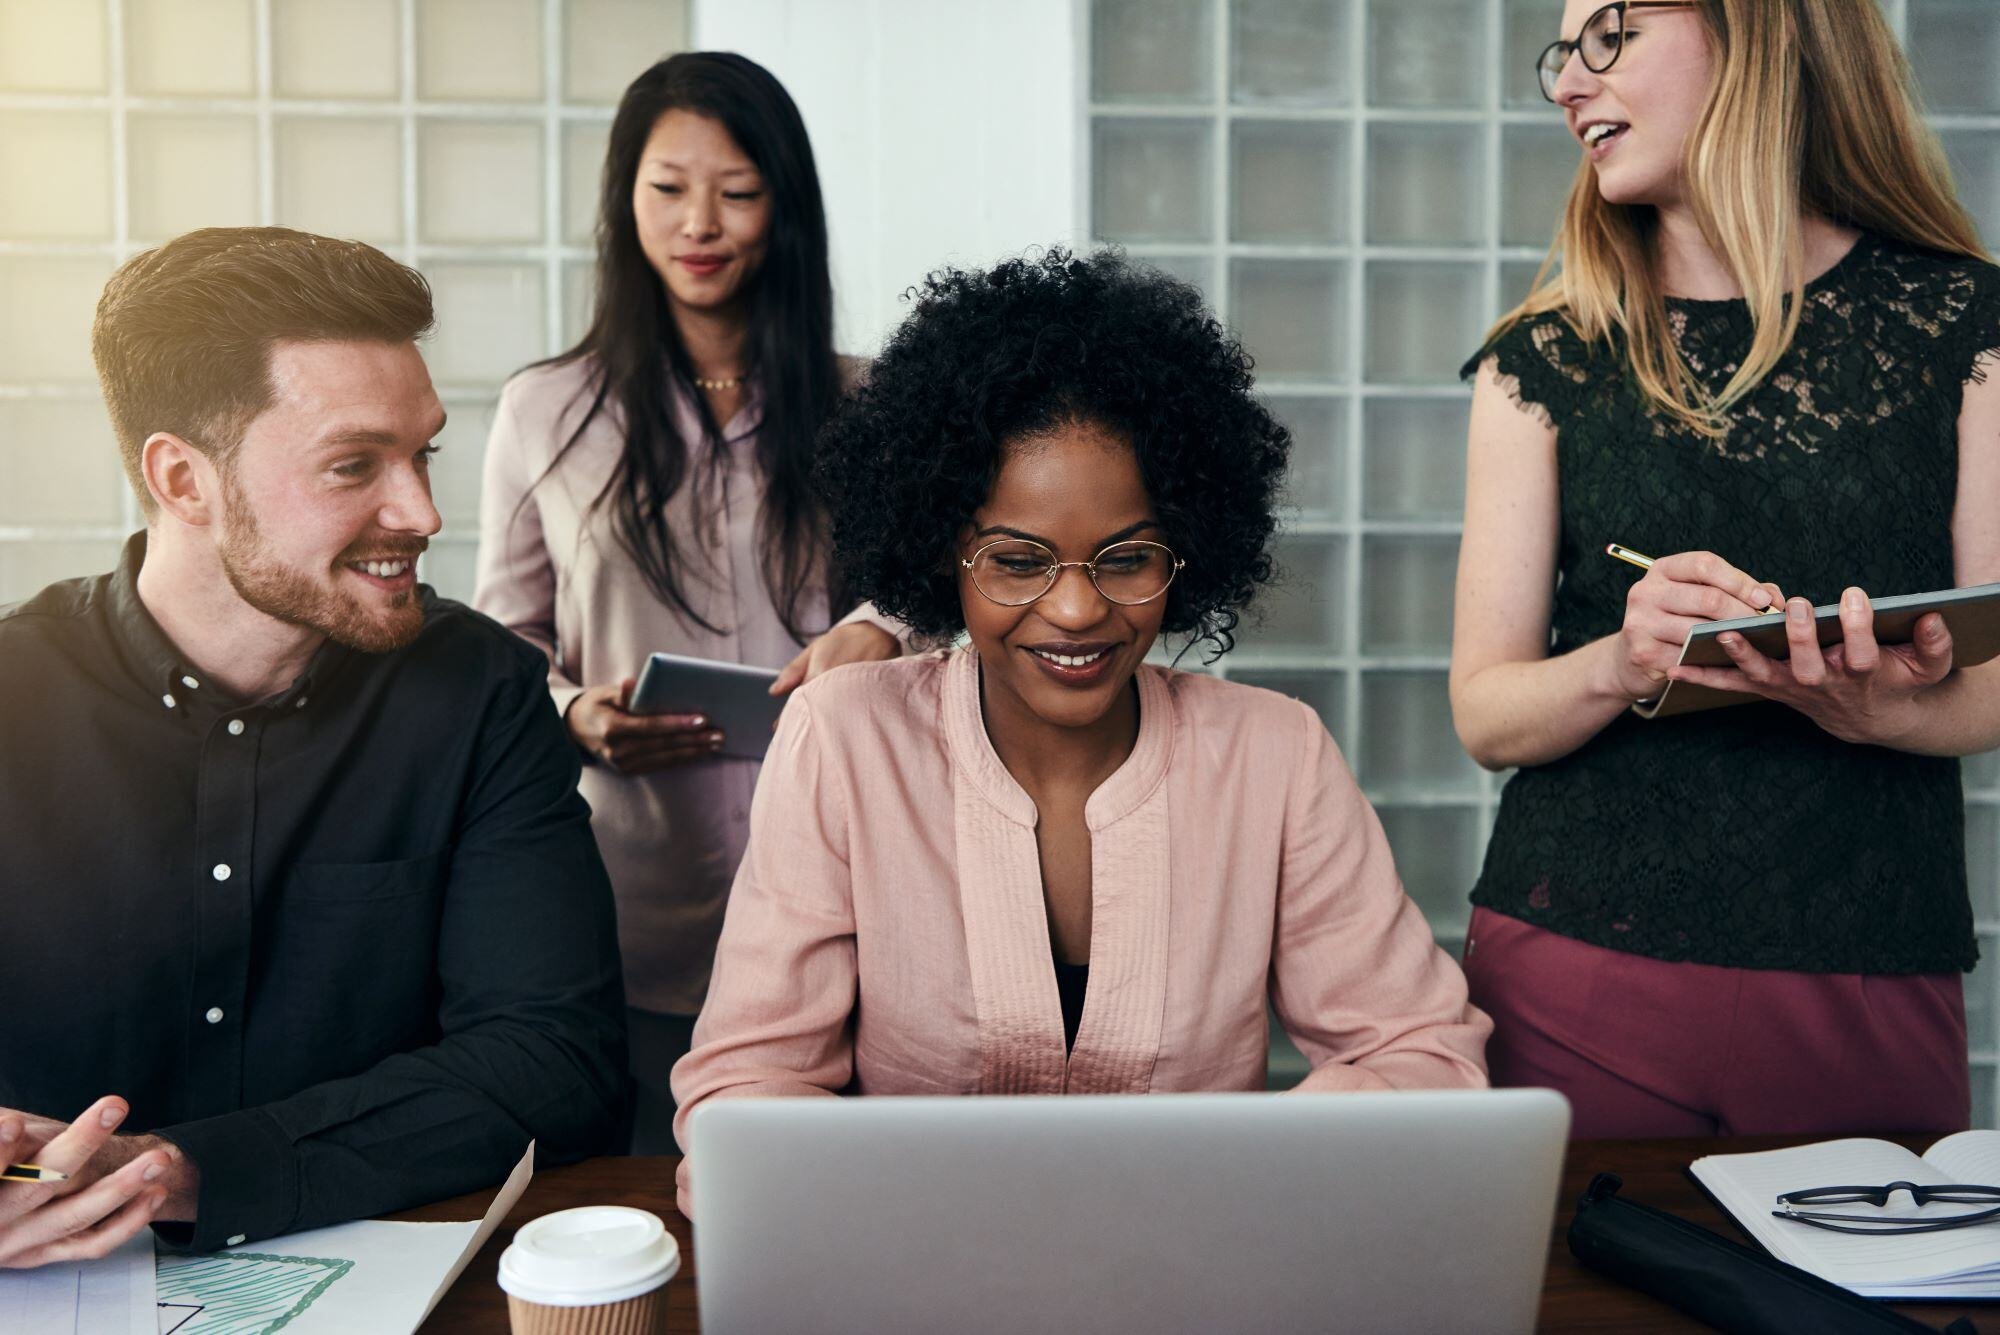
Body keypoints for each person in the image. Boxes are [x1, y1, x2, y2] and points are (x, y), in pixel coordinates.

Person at [670, 249, 1491, 1210]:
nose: (1074, 610)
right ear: (943, 551)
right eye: (1018, 561)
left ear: (1185, 550)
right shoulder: (845, 742)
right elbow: (745, 1093)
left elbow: (1422, 1052)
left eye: (1126, 557)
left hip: (1199, 1275)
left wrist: (1257, 1168)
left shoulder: (1276, 757)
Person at [0, 227, 626, 1267]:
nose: (422, 512)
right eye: (353, 465)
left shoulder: (480, 693)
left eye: (421, 453)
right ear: (184, 480)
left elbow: (554, 1065)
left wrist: (184, 1171)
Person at [1450, 0, 2000, 1137]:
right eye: (1563, 53)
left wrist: (1871, 713)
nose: (1565, 84)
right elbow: (1484, 715)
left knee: (1872, 1311)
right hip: (1570, 972)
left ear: (1759, 35)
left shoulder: (1967, 326)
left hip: (1867, 972)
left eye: (1610, 35)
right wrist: (1617, 661)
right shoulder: (1539, 359)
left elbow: (1994, 678)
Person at [473, 53, 903, 1152]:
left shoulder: (867, 402)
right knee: (644, 1198)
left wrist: (877, 626)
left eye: (737, 191)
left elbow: (944, 587)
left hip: (848, 874)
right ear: (626, 199)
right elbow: (503, 637)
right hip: (631, 885)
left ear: (784, 208)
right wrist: (572, 710)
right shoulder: (546, 410)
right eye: (667, 188)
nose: (698, 223)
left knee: (839, 1210)